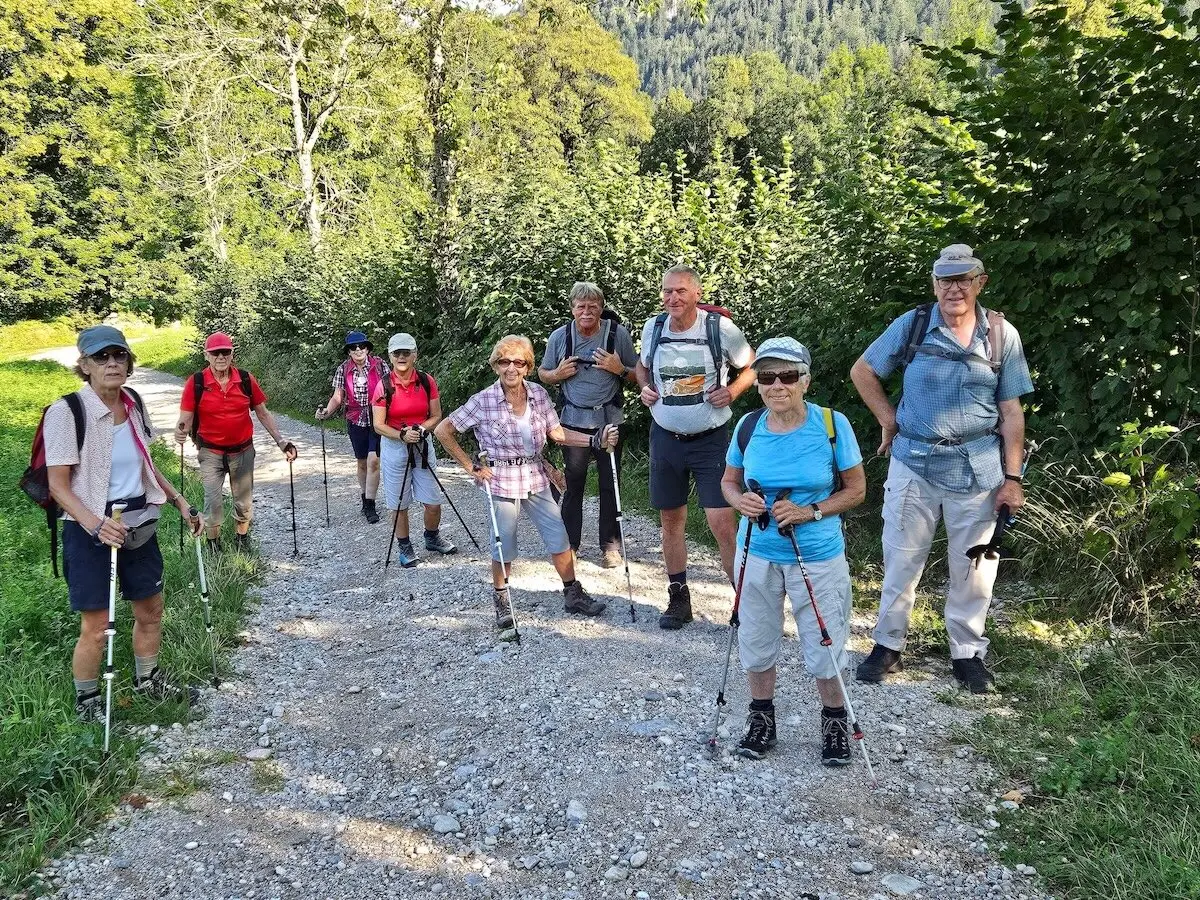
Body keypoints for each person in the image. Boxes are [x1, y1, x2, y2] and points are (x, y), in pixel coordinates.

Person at [850, 244, 1033, 694]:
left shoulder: (1000, 334)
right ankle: (887, 644)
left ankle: (967, 654)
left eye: (963, 279)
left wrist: (1013, 479)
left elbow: (1011, 413)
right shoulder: (912, 325)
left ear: (980, 282)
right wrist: (889, 420)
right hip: (913, 462)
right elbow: (863, 371)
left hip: (978, 469)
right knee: (900, 559)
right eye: (945, 280)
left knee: (974, 568)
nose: (954, 288)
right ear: (934, 284)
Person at [44, 325, 205, 721]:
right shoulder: (66, 412)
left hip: (139, 522)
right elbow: (58, 486)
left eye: (119, 356)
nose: (112, 363)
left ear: (129, 363)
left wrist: (179, 500)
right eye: (101, 357)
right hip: (89, 529)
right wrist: (96, 524)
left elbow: (146, 466)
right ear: (84, 365)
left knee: (150, 609)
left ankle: (148, 681)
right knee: (97, 625)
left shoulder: (132, 402)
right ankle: (88, 703)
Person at [721, 338, 867, 764]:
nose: (776, 385)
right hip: (758, 551)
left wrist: (812, 511)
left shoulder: (831, 425)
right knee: (755, 637)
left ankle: (835, 722)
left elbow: (856, 490)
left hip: (818, 553)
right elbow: (730, 483)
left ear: (805, 380)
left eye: (787, 376)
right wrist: (738, 501)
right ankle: (762, 720)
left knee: (825, 643)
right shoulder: (748, 425)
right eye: (767, 377)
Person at [435, 335, 618, 628]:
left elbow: (557, 434)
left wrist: (594, 439)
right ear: (496, 365)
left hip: (535, 474)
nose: (511, 368)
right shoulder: (482, 401)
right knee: (503, 543)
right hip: (501, 479)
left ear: (527, 367)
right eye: (504, 362)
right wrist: (471, 467)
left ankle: (572, 592)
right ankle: (501, 599)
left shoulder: (538, 395)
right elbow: (444, 431)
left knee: (559, 536)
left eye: (518, 362)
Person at [634, 265, 755, 630]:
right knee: (670, 520)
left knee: (722, 523)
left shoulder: (719, 328)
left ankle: (745, 603)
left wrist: (732, 391)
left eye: (681, 291)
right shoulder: (653, 328)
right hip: (665, 437)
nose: (672, 298)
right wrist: (644, 387)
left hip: (711, 440)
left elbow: (753, 366)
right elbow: (642, 367)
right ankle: (678, 598)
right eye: (667, 291)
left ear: (697, 294)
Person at [537, 282, 639, 567]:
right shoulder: (560, 336)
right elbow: (543, 372)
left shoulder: (617, 335)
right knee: (573, 483)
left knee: (611, 484)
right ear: (572, 308)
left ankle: (610, 547)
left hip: (609, 420)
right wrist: (557, 373)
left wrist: (619, 369)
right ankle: (570, 544)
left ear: (601, 308)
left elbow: (639, 374)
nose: (587, 312)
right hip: (572, 420)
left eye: (593, 306)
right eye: (581, 306)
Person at [175, 332, 297, 552]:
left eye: (225, 352)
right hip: (210, 451)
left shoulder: (245, 379)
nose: (220, 356)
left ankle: (242, 540)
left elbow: (263, 413)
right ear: (207, 355)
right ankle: (214, 546)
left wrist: (281, 441)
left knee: (243, 501)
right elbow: (186, 417)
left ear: (232, 354)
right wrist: (180, 432)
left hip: (242, 450)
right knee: (213, 502)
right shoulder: (197, 382)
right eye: (215, 352)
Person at [371, 333, 457, 566]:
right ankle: (405, 546)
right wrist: (401, 434)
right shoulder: (384, 385)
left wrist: (420, 429)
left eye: (405, 353)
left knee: (433, 501)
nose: (401, 357)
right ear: (390, 356)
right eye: (396, 353)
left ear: (414, 355)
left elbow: (436, 416)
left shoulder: (426, 381)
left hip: (422, 443)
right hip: (394, 446)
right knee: (399, 502)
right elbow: (378, 425)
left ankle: (431, 537)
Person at [317, 330, 390, 524]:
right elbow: (338, 396)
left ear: (367, 348)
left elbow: (392, 389)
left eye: (362, 346)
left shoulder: (380, 365)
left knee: (374, 460)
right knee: (362, 461)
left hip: (378, 417)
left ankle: (370, 504)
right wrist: (327, 412)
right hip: (355, 418)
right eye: (353, 347)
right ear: (349, 351)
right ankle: (365, 496)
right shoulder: (343, 369)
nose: (358, 350)